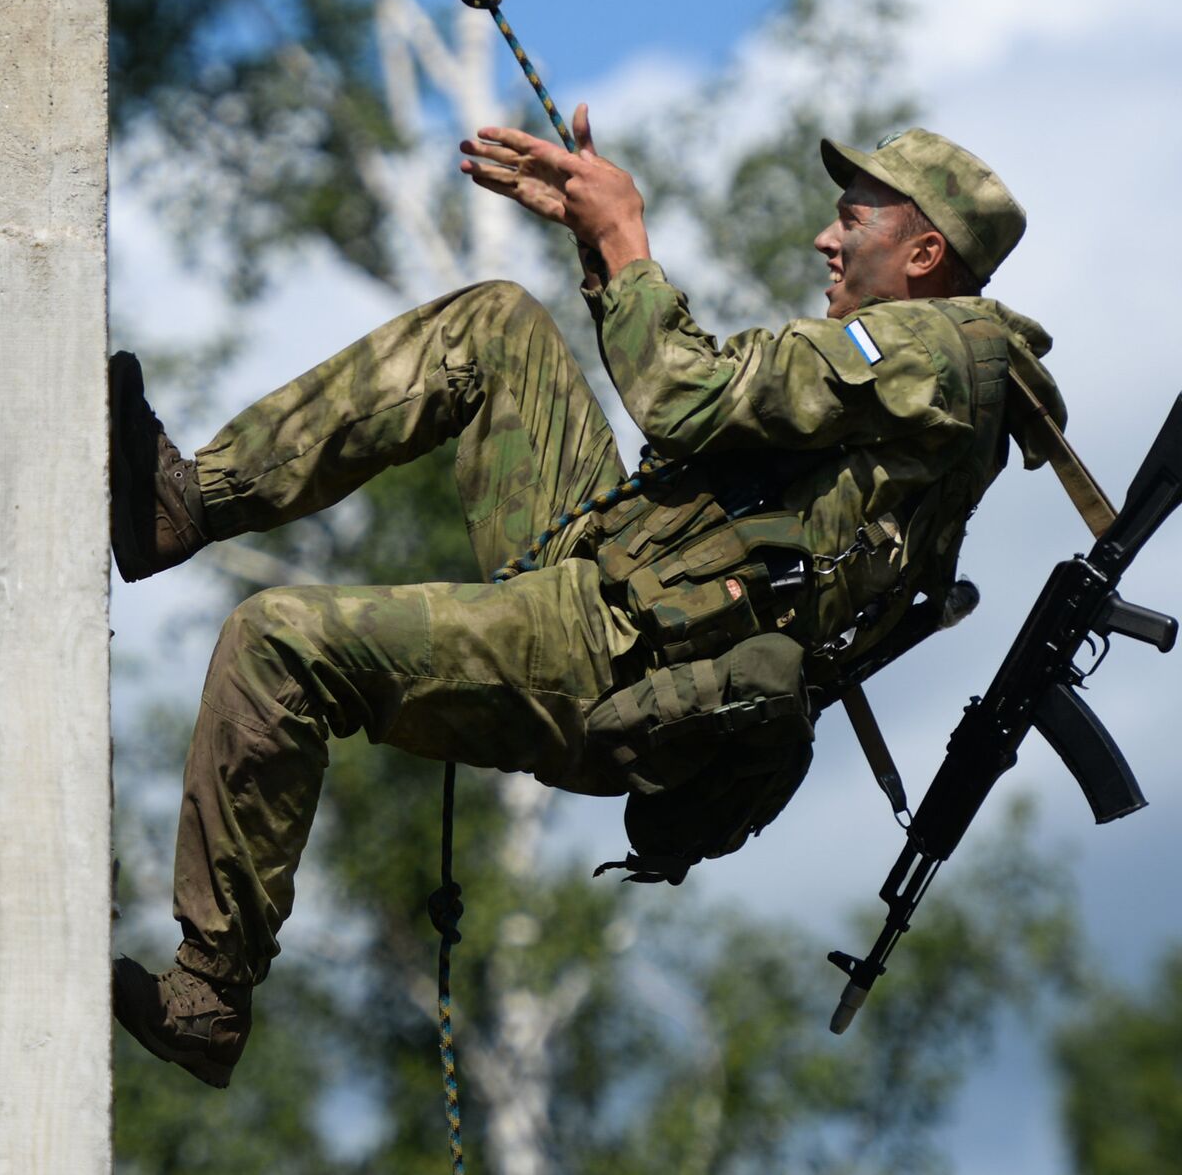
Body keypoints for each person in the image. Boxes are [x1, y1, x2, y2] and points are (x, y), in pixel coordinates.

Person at [108, 105, 1062, 1088]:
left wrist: (623, 235)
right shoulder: (935, 369)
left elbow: (685, 397)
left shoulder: (928, 352)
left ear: (925, 252)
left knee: (279, 640)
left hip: (617, 651)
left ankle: (209, 993)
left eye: (854, 221)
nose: (826, 236)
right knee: (494, 325)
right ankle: (184, 505)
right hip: (607, 570)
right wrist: (604, 259)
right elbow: (708, 437)